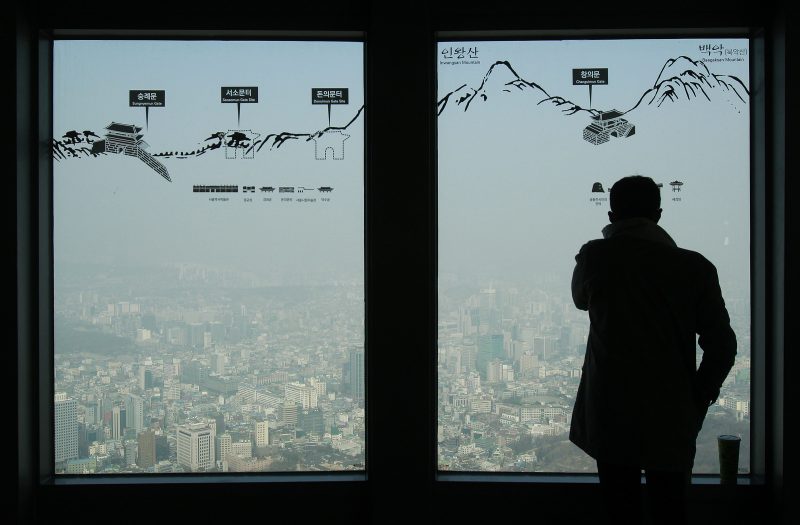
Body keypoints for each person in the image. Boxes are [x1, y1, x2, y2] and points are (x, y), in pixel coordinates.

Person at [569, 175, 737, 525]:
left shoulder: (595, 257)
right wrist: (698, 394)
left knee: (620, 508)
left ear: (612, 215)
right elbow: (722, 345)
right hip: (671, 409)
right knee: (670, 508)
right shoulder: (695, 268)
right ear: (659, 215)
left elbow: (580, 300)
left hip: (609, 406)